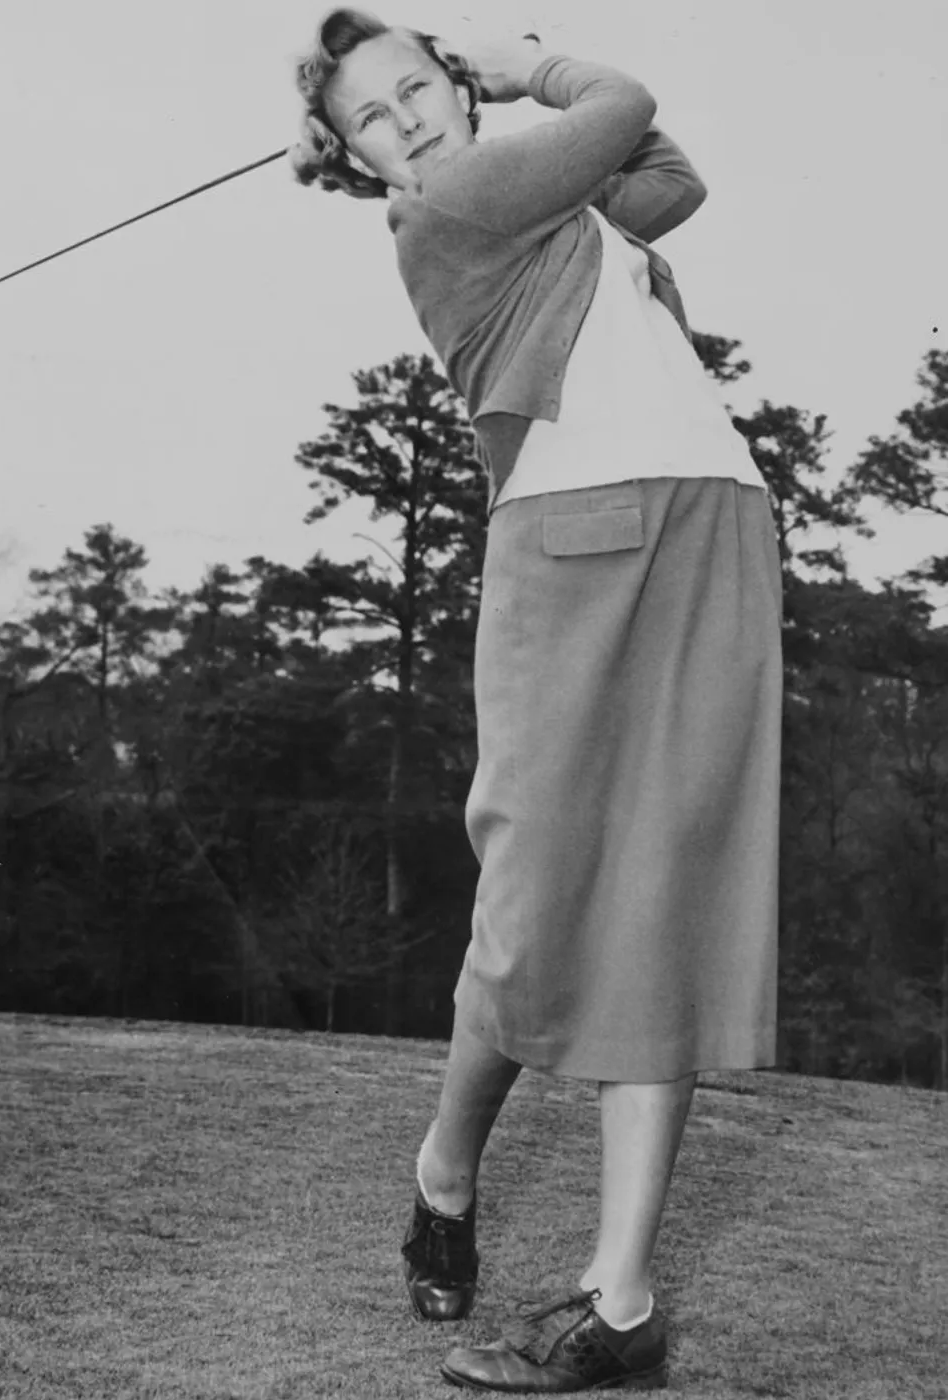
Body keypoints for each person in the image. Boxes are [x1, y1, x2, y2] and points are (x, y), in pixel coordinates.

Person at [291, 10, 784, 1394]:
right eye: (372, 116)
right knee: (529, 913)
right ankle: (445, 1171)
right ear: (357, 160)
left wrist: (514, 92)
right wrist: (532, 71)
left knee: (664, 897)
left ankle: (618, 1301)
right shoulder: (450, 205)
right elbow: (621, 104)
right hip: (572, 545)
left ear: (449, 85)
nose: (408, 120)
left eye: (418, 88)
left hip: (711, 525)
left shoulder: (559, 210)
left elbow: (668, 175)